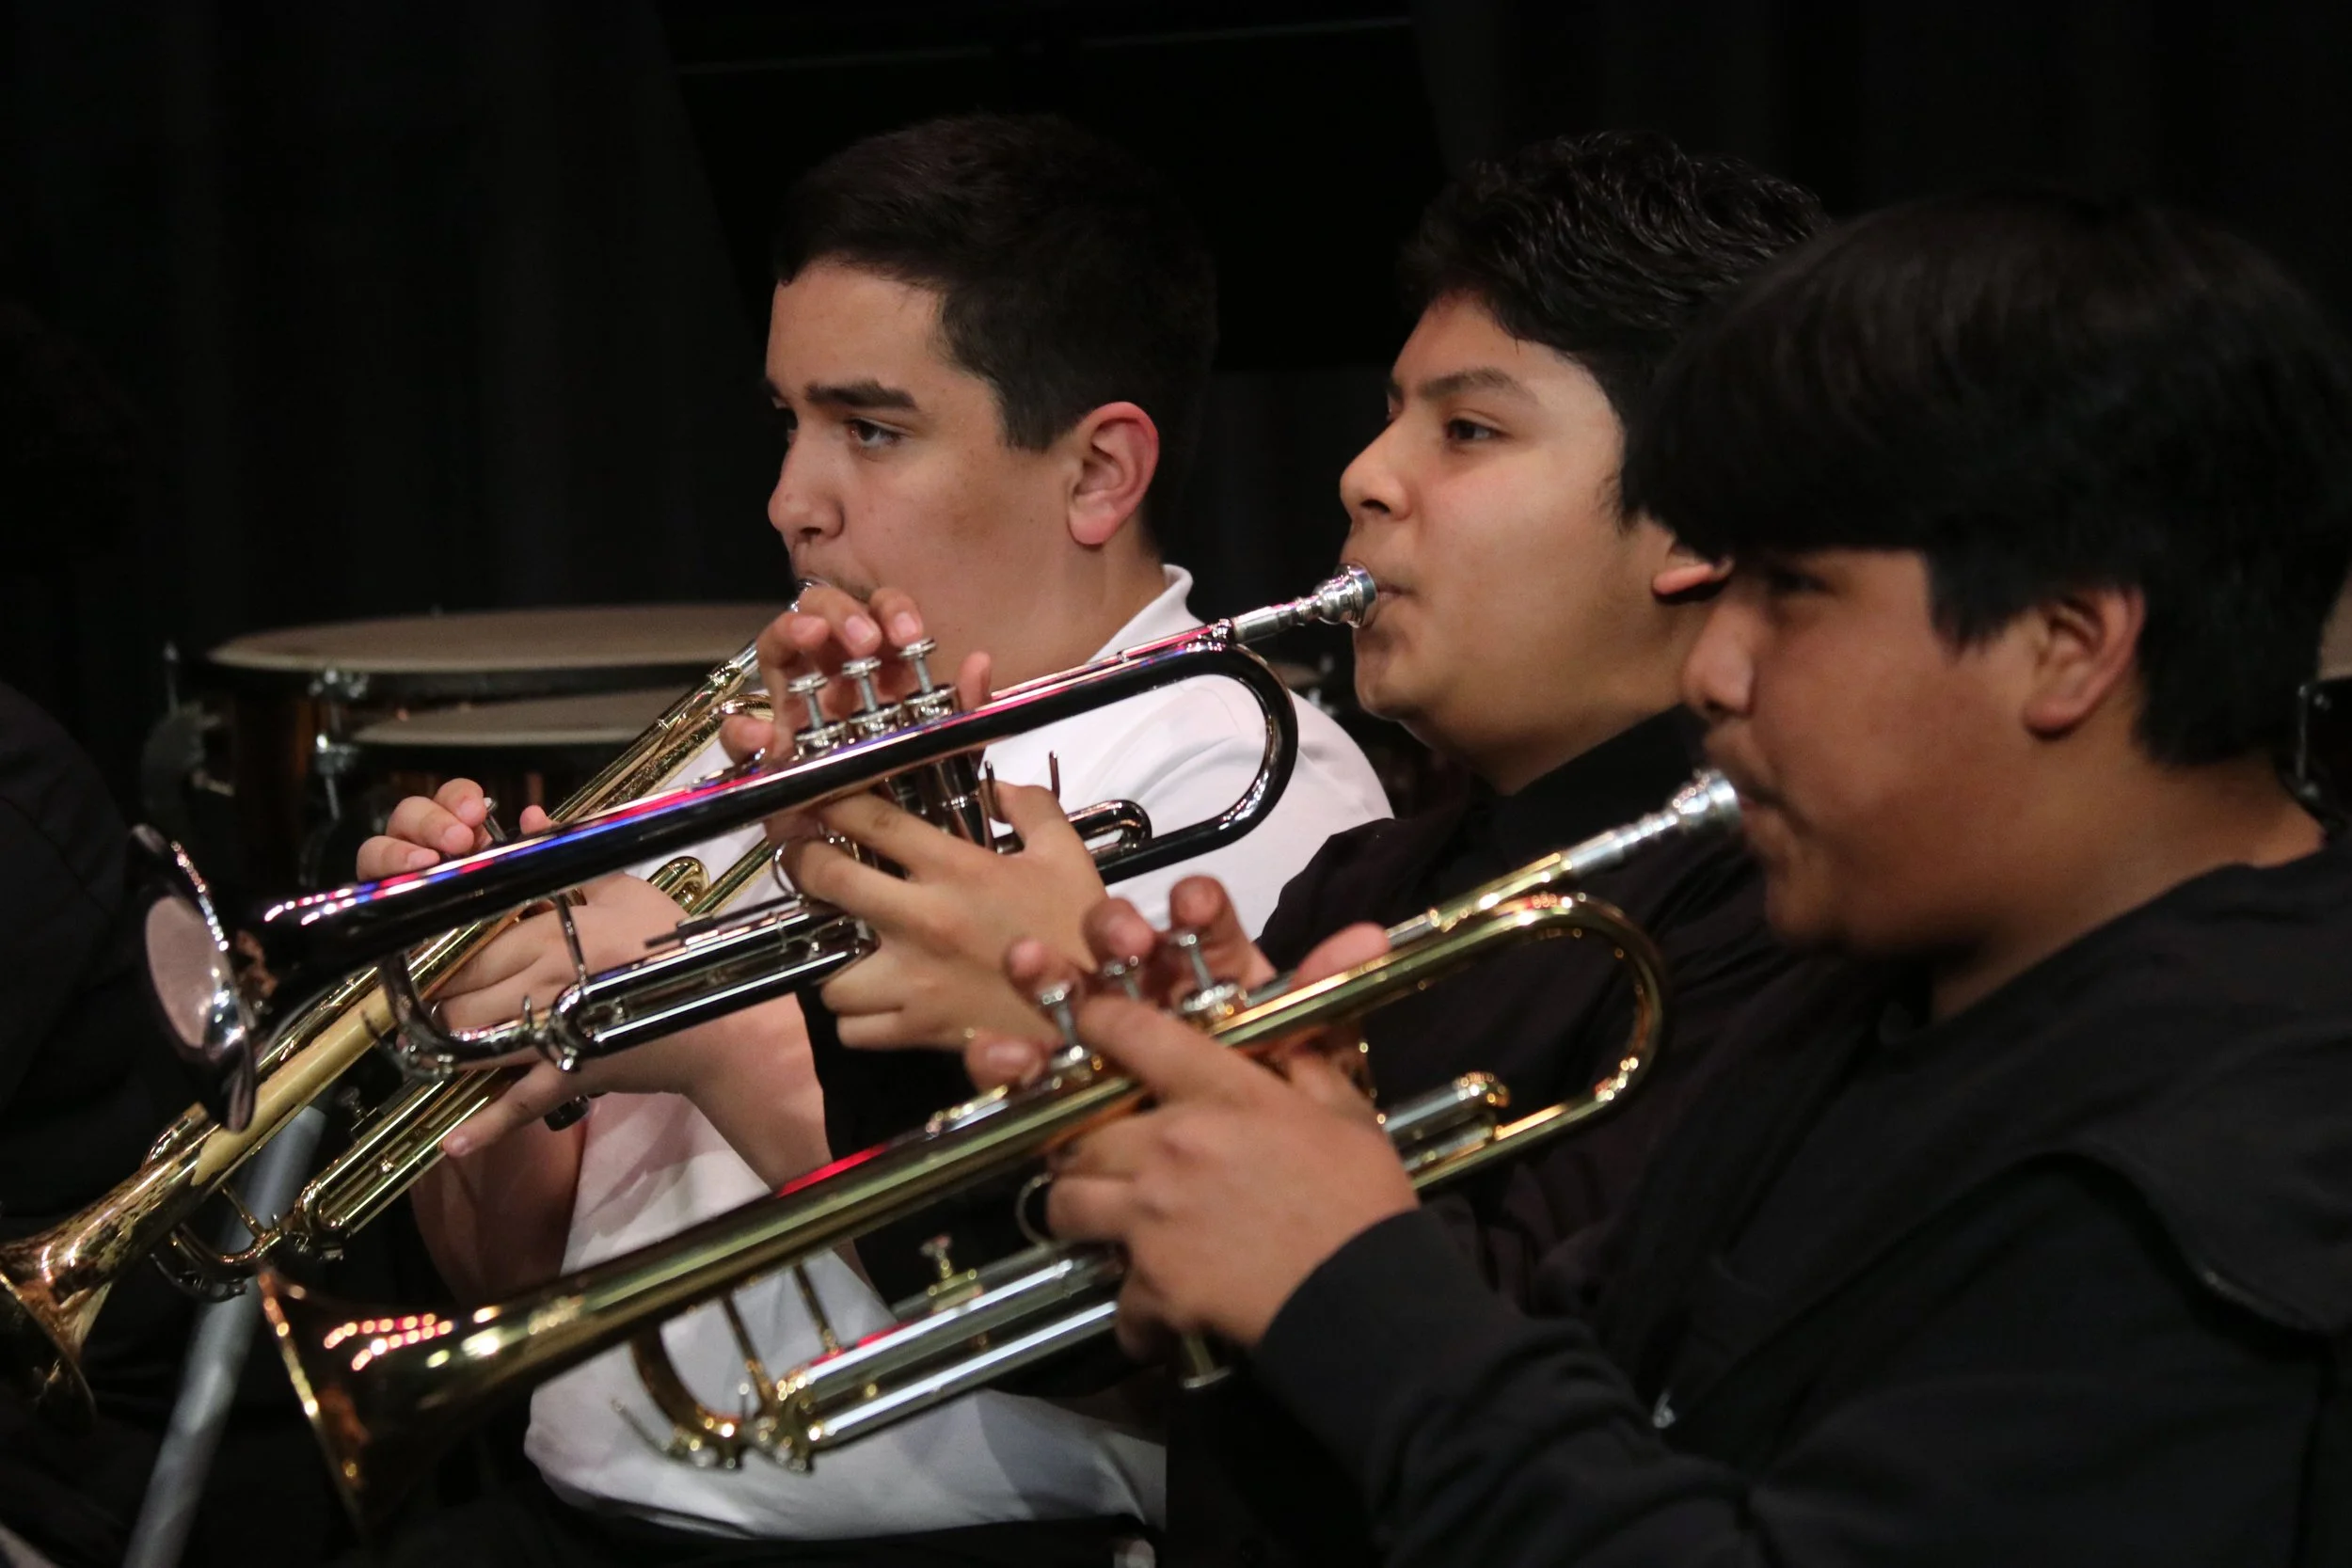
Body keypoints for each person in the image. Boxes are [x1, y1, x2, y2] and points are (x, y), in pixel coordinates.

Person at [1025, 192, 2352, 1564]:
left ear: (2066, 645)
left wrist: (1345, 1273)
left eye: (1795, 592)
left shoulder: (2248, 1149)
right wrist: (1286, 1165)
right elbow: (1582, 1397)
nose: (1715, 672)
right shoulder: (1880, 1002)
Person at [355, 114, 1387, 1564]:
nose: (790, 500)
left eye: (872, 430)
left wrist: (704, 1021)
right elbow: (509, 1274)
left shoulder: (1231, 772)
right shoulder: (758, 728)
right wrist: (481, 1023)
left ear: (1099, 474)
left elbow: (1129, 1312)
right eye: (789, 422)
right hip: (572, 1514)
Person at [787, 132, 1818, 1566]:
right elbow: (1052, 1335)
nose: (1365, 474)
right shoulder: (1375, 878)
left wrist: (1082, 1028)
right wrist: (901, 894)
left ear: (1696, 522)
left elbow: (1547, 1397)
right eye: (1392, 414)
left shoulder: (1769, 921)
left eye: (1467, 430)